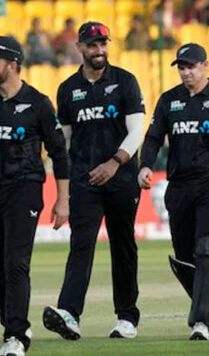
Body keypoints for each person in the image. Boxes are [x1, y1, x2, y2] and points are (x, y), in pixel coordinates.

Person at [0, 36, 70, 356]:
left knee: (15, 263)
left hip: (24, 189)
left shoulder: (37, 103)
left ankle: (16, 336)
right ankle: (13, 318)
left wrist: (63, 200)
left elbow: (59, 153)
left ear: (12, 65)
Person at [43, 21, 145, 340]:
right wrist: (58, 183)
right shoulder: (67, 89)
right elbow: (65, 142)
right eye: (92, 45)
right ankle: (69, 314)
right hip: (84, 180)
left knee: (123, 245)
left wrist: (114, 163)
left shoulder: (125, 81)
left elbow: (136, 132)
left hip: (122, 178)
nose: (99, 50)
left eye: (103, 44)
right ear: (80, 48)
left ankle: (127, 317)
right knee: (81, 245)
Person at [139, 43, 209, 340]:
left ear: (205, 66)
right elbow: (153, 137)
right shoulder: (168, 100)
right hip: (179, 185)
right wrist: (145, 165)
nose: (186, 73)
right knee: (185, 255)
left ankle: (202, 321)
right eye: (182, 68)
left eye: (192, 67)